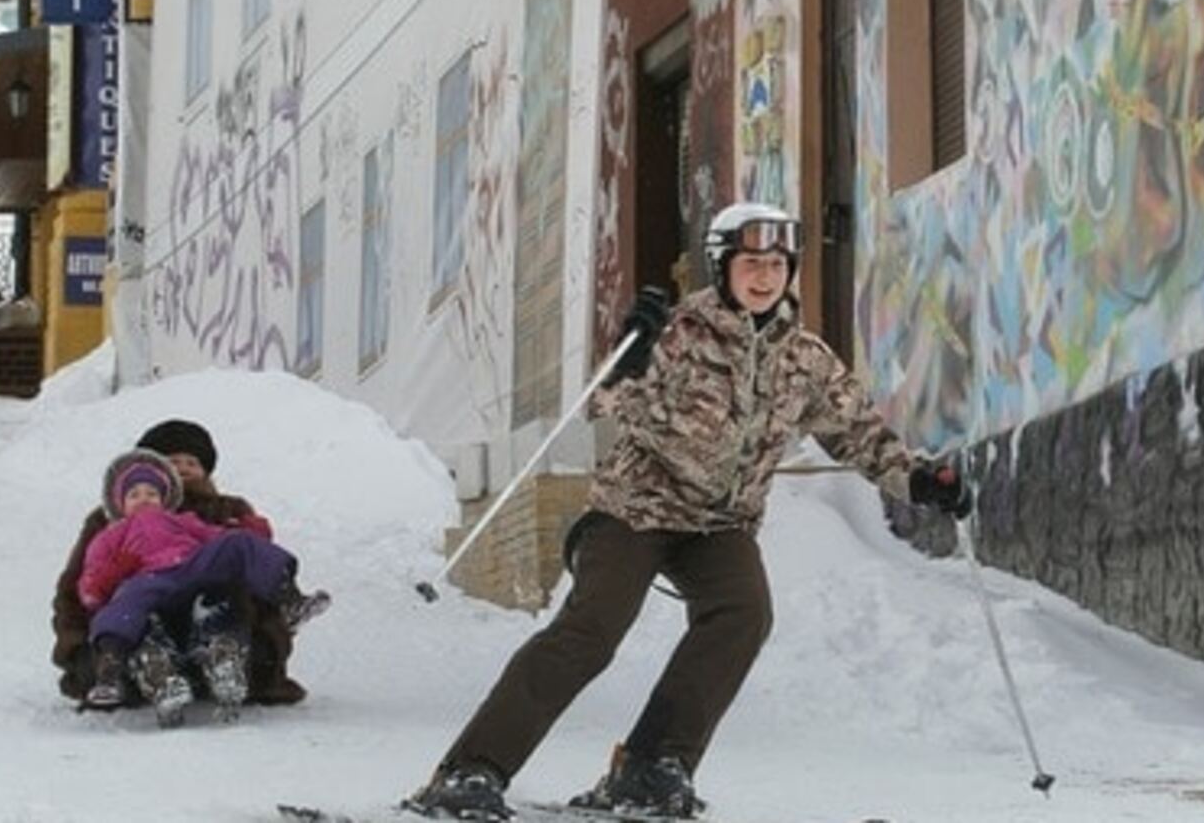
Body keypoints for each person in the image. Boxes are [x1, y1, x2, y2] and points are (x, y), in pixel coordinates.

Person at [406, 202, 973, 821]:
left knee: (743, 613)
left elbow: (860, 435)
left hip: (718, 527)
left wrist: (920, 481)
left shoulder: (804, 358)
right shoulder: (679, 332)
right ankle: (470, 770)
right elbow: (608, 402)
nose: (765, 277)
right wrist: (632, 356)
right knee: (592, 631)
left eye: (778, 265)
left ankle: (651, 768)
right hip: (635, 512)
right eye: (751, 263)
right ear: (722, 266)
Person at [51, 421, 312, 713]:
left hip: (214, 612)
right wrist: (77, 651)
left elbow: (247, 555)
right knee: (127, 607)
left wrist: (269, 648)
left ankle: (228, 654)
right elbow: (78, 588)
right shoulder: (110, 523)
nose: (184, 468)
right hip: (146, 615)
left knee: (230, 576)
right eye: (173, 461)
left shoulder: (224, 510)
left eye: (193, 462)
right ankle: (136, 668)